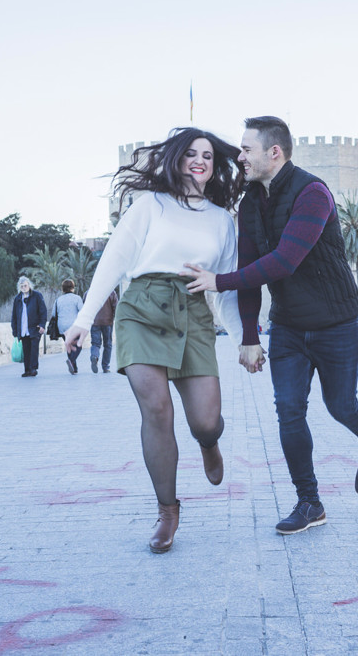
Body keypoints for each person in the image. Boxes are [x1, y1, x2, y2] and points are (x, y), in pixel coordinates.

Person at [182, 116, 358, 536]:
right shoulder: (252, 203)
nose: (240, 157)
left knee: (340, 406)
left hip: (336, 324)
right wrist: (251, 338)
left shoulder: (313, 194)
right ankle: (309, 502)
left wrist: (217, 282)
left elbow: (283, 262)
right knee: (289, 411)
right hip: (290, 328)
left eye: (247, 150)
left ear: (274, 153)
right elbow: (251, 271)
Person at [63, 126, 244, 554]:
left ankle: (209, 442)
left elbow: (228, 288)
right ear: (178, 159)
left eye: (208, 156)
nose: (200, 161)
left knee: (203, 419)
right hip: (141, 310)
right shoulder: (150, 206)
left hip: (194, 314)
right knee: (157, 410)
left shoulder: (221, 220)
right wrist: (84, 320)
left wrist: (243, 339)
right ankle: (167, 511)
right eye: (191, 154)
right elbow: (115, 261)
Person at [11, 276, 47, 377]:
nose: (24, 288)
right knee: (26, 350)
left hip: (34, 328)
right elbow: (14, 316)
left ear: (29, 285)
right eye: (21, 286)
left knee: (34, 349)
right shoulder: (17, 299)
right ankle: (27, 370)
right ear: (19, 287)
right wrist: (14, 330)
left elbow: (43, 312)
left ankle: (33, 368)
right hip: (23, 329)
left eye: (25, 285)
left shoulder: (37, 296)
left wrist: (42, 325)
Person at [54, 279, 85, 374]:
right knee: (78, 345)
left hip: (62, 327)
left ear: (63, 289)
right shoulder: (77, 298)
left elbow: (53, 314)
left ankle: (74, 368)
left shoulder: (58, 300)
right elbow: (82, 311)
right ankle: (71, 361)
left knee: (69, 345)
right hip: (73, 325)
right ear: (73, 288)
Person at [85, 288, 118, 373]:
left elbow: (84, 307)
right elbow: (116, 307)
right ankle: (105, 367)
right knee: (108, 344)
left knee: (95, 343)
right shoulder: (111, 292)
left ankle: (94, 356)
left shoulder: (88, 292)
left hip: (94, 321)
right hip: (108, 322)